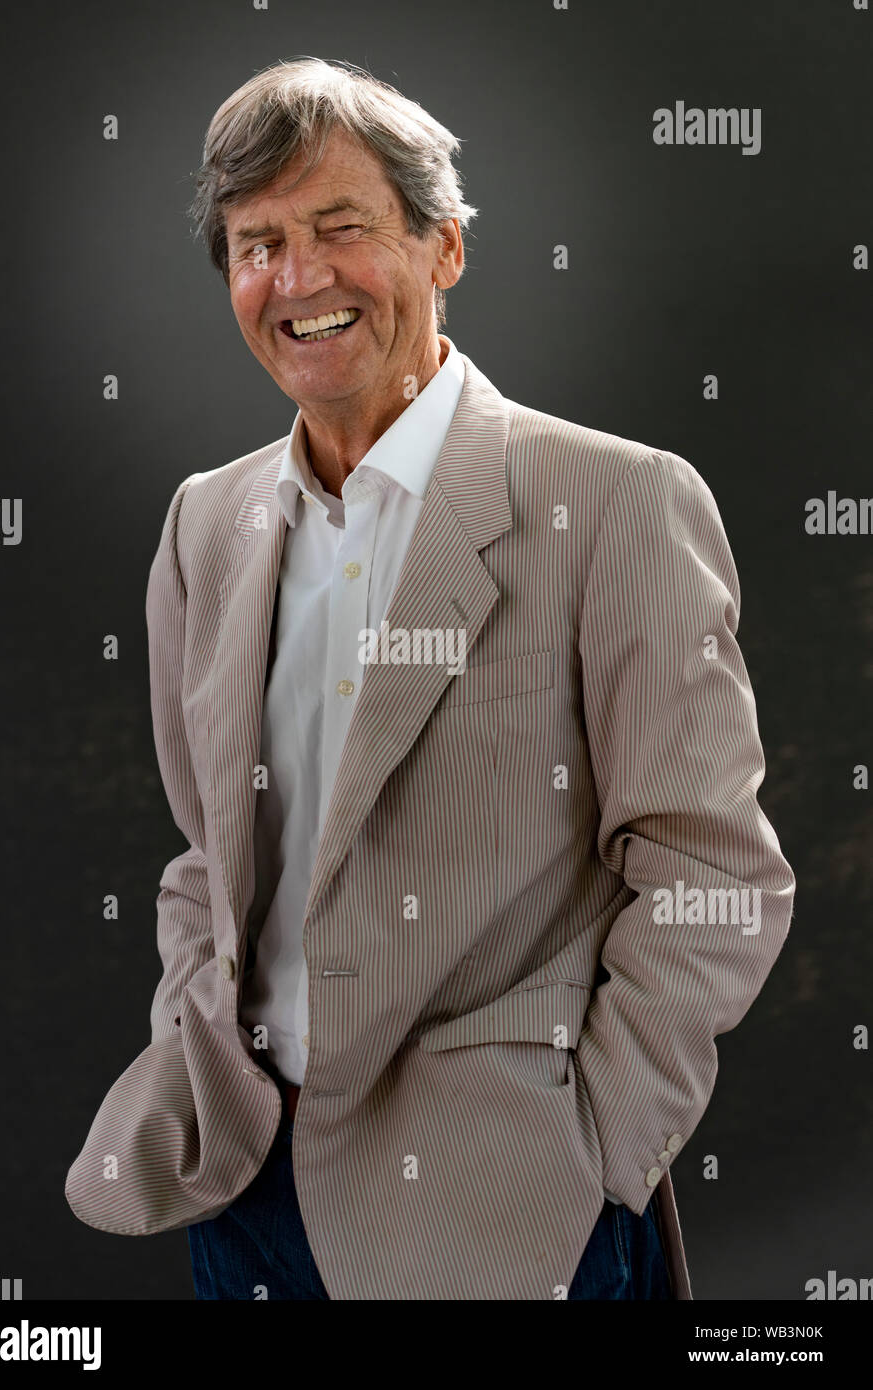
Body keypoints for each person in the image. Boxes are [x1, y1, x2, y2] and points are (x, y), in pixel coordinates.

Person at [65, 57, 796, 1301]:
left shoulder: (614, 501)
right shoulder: (207, 525)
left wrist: (595, 1149)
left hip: (504, 1217)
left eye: (340, 228)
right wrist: (195, 1032)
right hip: (241, 1189)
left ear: (444, 246)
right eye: (256, 244)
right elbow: (204, 852)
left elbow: (713, 874)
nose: (297, 281)